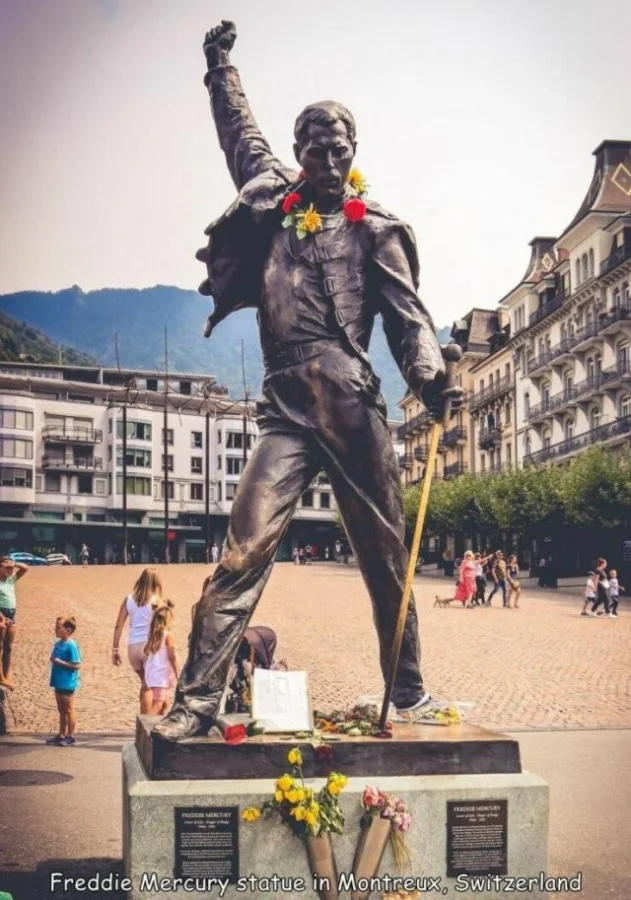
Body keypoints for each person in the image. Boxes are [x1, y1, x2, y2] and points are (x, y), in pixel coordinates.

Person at [154, 19, 463, 741]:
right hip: (284, 409)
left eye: (339, 149)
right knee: (242, 553)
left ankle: (408, 689)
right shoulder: (272, 204)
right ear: (299, 153)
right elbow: (237, 131)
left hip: (353, 407)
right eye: (316, 149)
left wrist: (429, 377)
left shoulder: (375, 228)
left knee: (386, 559)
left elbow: (409, 320)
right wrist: (219, 67)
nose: (327, 160)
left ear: (353, 152)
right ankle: (196, 702)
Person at [111, 568, 164, 714]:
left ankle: (151, 715)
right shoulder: (156, 601)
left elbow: (118, 625)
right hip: (148, 647)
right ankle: (144, 722)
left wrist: (115, 649)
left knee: (146, 684)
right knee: (148, 686)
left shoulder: (128, 599)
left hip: (133, 648)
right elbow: (162, 627)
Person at [46, 615, 81, 746]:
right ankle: (61, 734)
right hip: (58, 681)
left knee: (69, 709)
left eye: (58, 627)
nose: (55, 629)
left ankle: (70, 735)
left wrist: (58, 661)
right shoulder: (58, 643)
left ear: (68, 630)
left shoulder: (71, 645)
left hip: (67, 682)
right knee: (61, 710)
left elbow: (76, 665)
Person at [143, 601, 178, 716]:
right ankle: (145, 724)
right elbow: (171, 657)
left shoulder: (153, 634)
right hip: (161, 675)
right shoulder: (168, 635)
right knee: (158, 705)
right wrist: (177, 673)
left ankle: (158, 724)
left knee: (164, 705)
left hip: (153, 672)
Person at [0, 556, 28, 689]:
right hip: (1, 615)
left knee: (9, 648)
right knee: (0, 647)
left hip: (12, 614)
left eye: (11, 568)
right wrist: (2, 618)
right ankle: (1, 678)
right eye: (6, 567)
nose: (10, 570)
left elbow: (26, 568)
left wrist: (14, 563)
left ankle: (6, 675)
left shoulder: (11, 579)